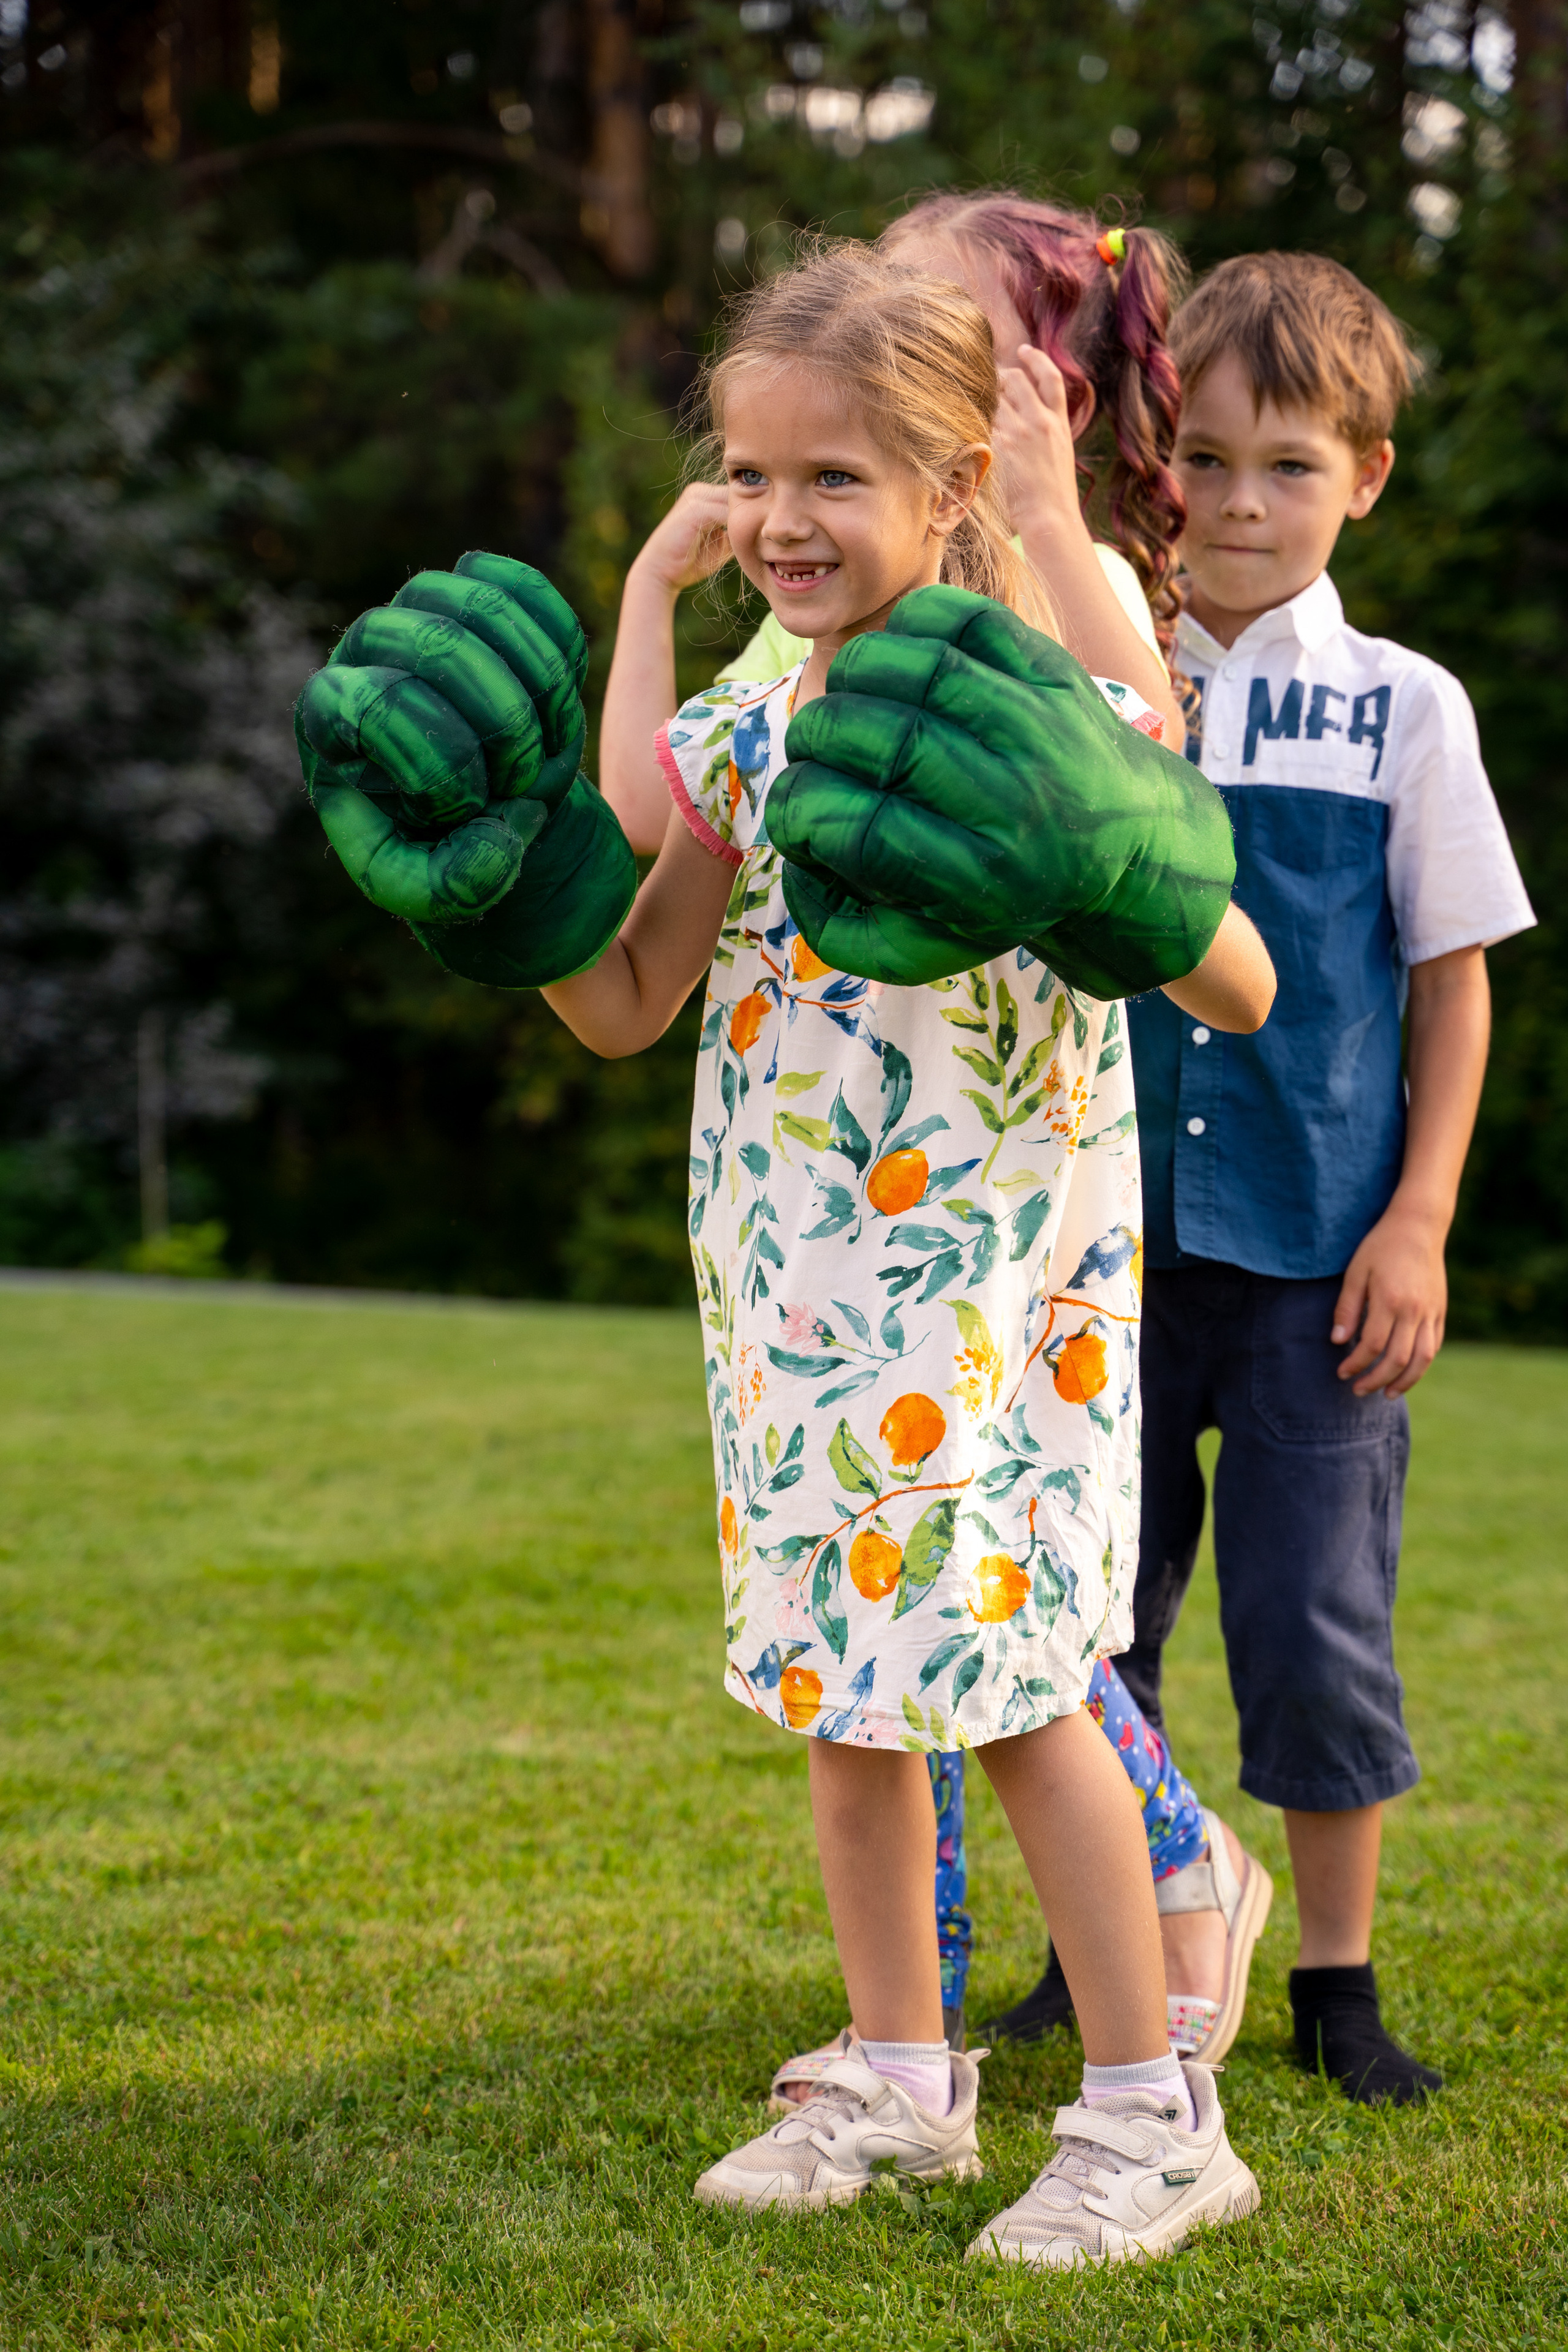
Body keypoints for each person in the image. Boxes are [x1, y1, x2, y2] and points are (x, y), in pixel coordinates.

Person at [552, 235, 1275, 2263]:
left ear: (952, 477)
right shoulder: (753, 706)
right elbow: (622, 984)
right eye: (751, 472)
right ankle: (899, 2080)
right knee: (848, 1700)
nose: (781, 518)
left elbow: (1206, 928)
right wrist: (637, 607)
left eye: (836, 477)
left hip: (992, 1290)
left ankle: (1153, 2118)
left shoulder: (1044, 659)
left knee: (1026, 1681)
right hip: (788, 1291)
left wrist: (1052, 582)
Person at [1117, 251, 1536, 2105]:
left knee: (1312, 1635)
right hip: (1096, 1258)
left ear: (1365, 473)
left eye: (1288, 464)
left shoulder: (1403, 708)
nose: (1236, 504)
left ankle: (1334, 1988)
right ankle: (1111, 1947)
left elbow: (1454, 988)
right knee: (1084, 1621)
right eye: (1200, 459)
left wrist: (1422, 1222)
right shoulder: (1099, 685)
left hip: (1321, 1263)